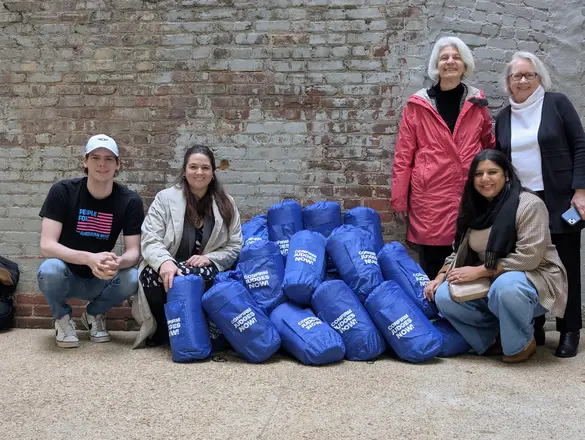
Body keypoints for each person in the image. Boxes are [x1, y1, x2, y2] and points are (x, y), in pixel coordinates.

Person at [424, 150, 568, 363]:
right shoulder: (474, 207)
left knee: (506, 286)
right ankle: (493, 338)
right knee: (445, 295)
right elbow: (458, 252)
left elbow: (530, 257)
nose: (485, 179)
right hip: (488, 281)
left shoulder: (528, 204)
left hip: (531, 278)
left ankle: (521, 344)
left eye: (492, 172)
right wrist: (439, 277)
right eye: (478, 174)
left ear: (506, 175)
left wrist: (481, 270)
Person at [495, 51, 585, 358]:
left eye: (528, 75)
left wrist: (581, 192)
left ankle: (569, 329)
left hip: (560, 199)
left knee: (566, 265)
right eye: (516, 76)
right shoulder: (504, 116)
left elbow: (580, 145)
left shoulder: (557, 104)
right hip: (523, 204)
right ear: (508, 82)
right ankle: (533, 327)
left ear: (539, 78)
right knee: (528, 263)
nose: (522, 80)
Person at [390, 36, 494, 280]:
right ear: (436, 65)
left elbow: (490, 147)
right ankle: (434, 316)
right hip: (430, 198)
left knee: (469, 262)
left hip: (471, 193)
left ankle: (464, 317)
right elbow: (404, 155)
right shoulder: (418, 105)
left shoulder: (477, 103)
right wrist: (399, 199)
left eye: (456, 57)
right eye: (444, 57)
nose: (450, 62)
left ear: (464, 64)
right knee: (433, 266)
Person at [37, 134, 144, 348]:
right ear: (85, 161)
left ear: (117, 165)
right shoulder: (63, 191)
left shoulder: (130, 200)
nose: (102, 164)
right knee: (49, 268)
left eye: (109, 159)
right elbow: (47, 245)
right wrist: (89, 259)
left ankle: (94, 315)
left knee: (132, 277)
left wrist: (115, 263)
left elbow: (134, 252)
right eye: (95, 158)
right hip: (65, 275)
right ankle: (62, 319)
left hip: (100, 277)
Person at [132, 145, 242, 348]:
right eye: (193, 167)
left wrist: (211, 258)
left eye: (205, 168)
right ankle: (164, 328)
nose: (199, 172)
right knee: (152, 275)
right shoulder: (165, 199)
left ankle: (195, 329)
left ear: (213, 173)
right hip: (168, 266)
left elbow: (235, 245)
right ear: (184, 170)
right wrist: (164, 261)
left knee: (200, 275)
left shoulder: (227, 203)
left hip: (206, 269)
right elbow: (150, 238)